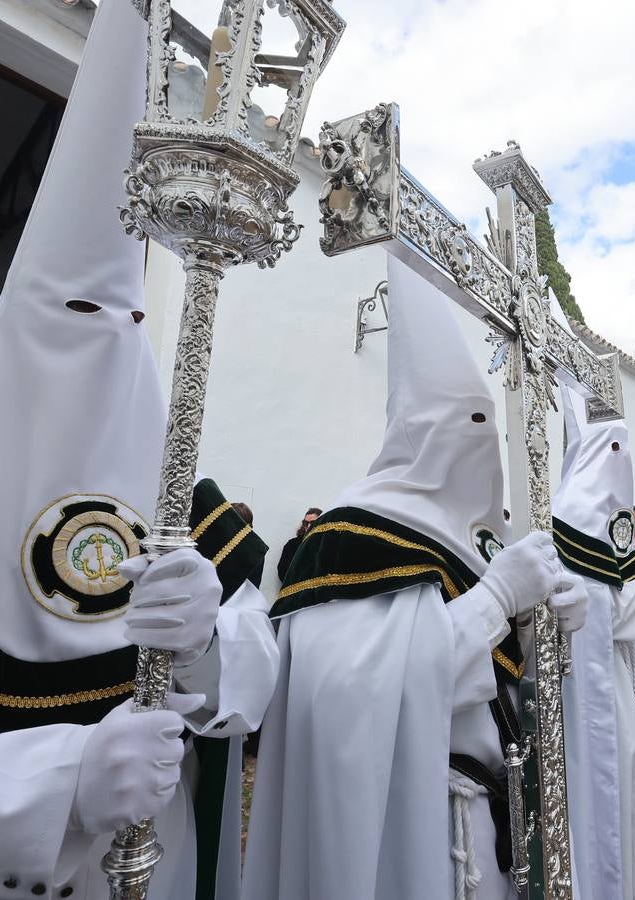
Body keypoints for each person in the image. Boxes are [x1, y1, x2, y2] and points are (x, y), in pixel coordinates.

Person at [0, 5, 277, 896]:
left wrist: (208, 640)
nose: (101, 346)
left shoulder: (179, 500)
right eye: (72, 317)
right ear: (9, 333)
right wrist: (57, 787)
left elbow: (258, 681)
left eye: (128, 323)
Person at [244, 256, 589, 900]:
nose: (481, 445)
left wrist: (551, 628)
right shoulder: (354, 531)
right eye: (467, 423)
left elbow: (506, 678)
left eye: (487, 421)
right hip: (417, 816)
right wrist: (497, 598)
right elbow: (351, 690)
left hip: (497, 802)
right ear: (416, 433)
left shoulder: (480, 540)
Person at [552, 385, 635, 900]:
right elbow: (593, 612)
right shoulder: (571, 522)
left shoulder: (611, 530)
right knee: (607, 787)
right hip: (587, 689)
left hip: (626, 675)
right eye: (614, 450)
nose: (623, 463)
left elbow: (621, 607)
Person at [275, 506, 321, 585]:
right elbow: (282, 572)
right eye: (306, 523)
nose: (308, 526)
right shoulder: (292, 544)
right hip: (295, 592)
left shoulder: (325, 545)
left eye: (312, 522)